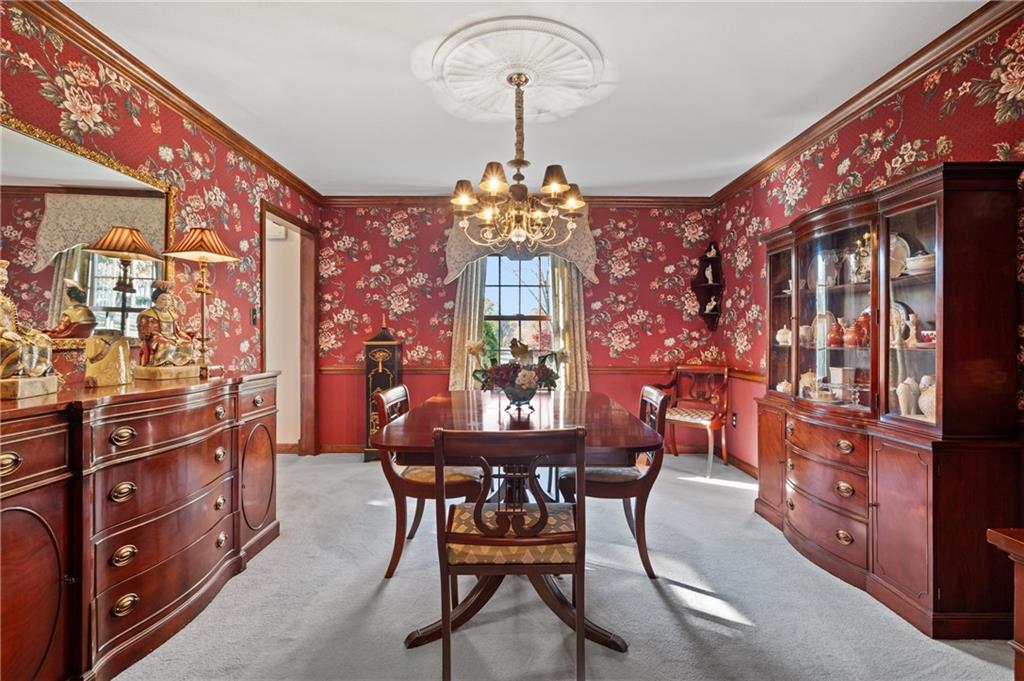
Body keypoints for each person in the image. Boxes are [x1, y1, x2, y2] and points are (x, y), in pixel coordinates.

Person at [0, 259, 53, 378]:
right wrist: (3, 333)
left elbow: (15, 324)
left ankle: (39, 369)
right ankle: (15, 370)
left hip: (12, 333)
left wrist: (33, 332)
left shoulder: (5, 299)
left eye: (4, 275)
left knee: (42, 340)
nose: (3, 279)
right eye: (0, 275)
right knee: (14, 344)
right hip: (3, 336)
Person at [136, 280, 198, 367]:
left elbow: (177, 331)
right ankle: (163, 362)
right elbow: (146, 334)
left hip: (173, 337)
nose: (166, 302)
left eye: (169, 299)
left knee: (188, 344)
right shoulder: (148, 314)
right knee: (166, 345)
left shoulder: (173, 315)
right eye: (163, 299)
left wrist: (185, 336)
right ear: (156, 300)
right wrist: (153, 334)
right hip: (157, 338)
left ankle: (185, 361)